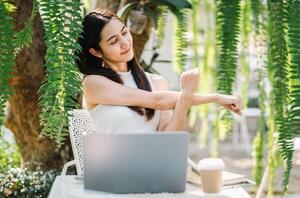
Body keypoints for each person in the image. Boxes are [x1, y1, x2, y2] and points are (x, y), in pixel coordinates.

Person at [76, 9, 243, 134]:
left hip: (153, 169)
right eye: (113, 41)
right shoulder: (93, 83)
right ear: (96, 51)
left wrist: (185, 99)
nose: (125, 43)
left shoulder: (156, 82)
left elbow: (167, 137)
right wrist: (215, 97)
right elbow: (156, 101)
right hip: (112, 172)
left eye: (124, 33)